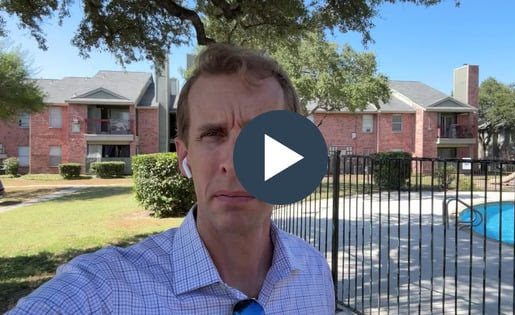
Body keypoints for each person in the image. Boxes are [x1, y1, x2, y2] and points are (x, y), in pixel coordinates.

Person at [9, 44, 335, 314]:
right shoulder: (103, 290)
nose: (234, 166)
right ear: (183, 156)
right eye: (213, 134)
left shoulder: (315, 271)